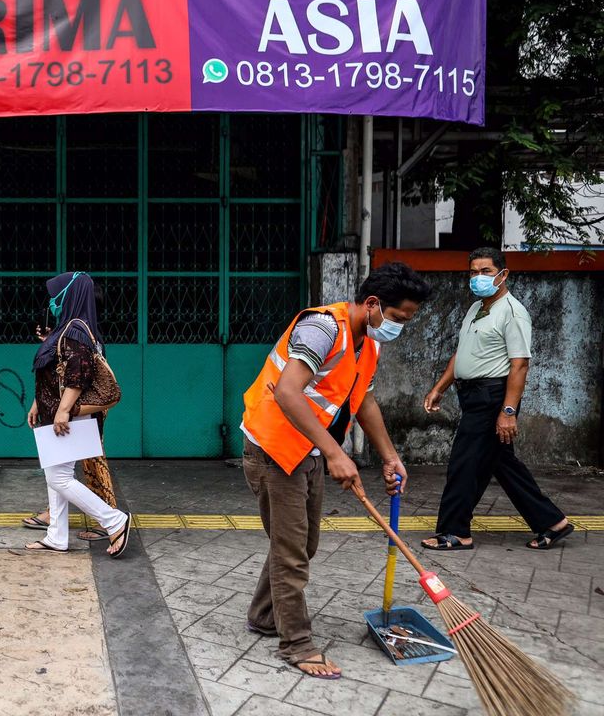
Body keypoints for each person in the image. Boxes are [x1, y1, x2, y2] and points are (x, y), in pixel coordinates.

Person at [240, 262, 430, 680]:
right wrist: (335, 454)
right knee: (291, 553)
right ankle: (297, 643)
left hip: (305, 449)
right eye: (397, 319)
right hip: (274, 448)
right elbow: (289, 392)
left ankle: (263, 615)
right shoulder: (322, 328)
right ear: (374, 304)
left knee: (301, 545)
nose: (398, 328)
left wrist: (389, 456)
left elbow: (363, 401)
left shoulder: (368, 343)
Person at [421, 248, 572, 552]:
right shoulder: (476, 309)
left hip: (491, 397)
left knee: (464, 464)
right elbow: (461, 353)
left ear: (503, 274)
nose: (478, 277)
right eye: (474, 272)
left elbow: (520, 365)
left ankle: (456, 532)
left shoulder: (512, 313)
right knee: (503, 464)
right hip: (472, 394)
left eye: (486, 271)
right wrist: (440, 387)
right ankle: (553, 522)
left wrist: (508, 411)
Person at [23, 272, 131, 558]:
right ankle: (57, 537)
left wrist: (62, 410)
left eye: (58, 295)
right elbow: (55, 372)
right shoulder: (71, 329)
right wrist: (38, 403)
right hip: (58, 415)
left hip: (67, 418)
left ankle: (114, 520)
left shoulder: (75, 331)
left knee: (59, 478)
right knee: (55, 476)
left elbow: (77, 375)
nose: (53, 301)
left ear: (70, 296)